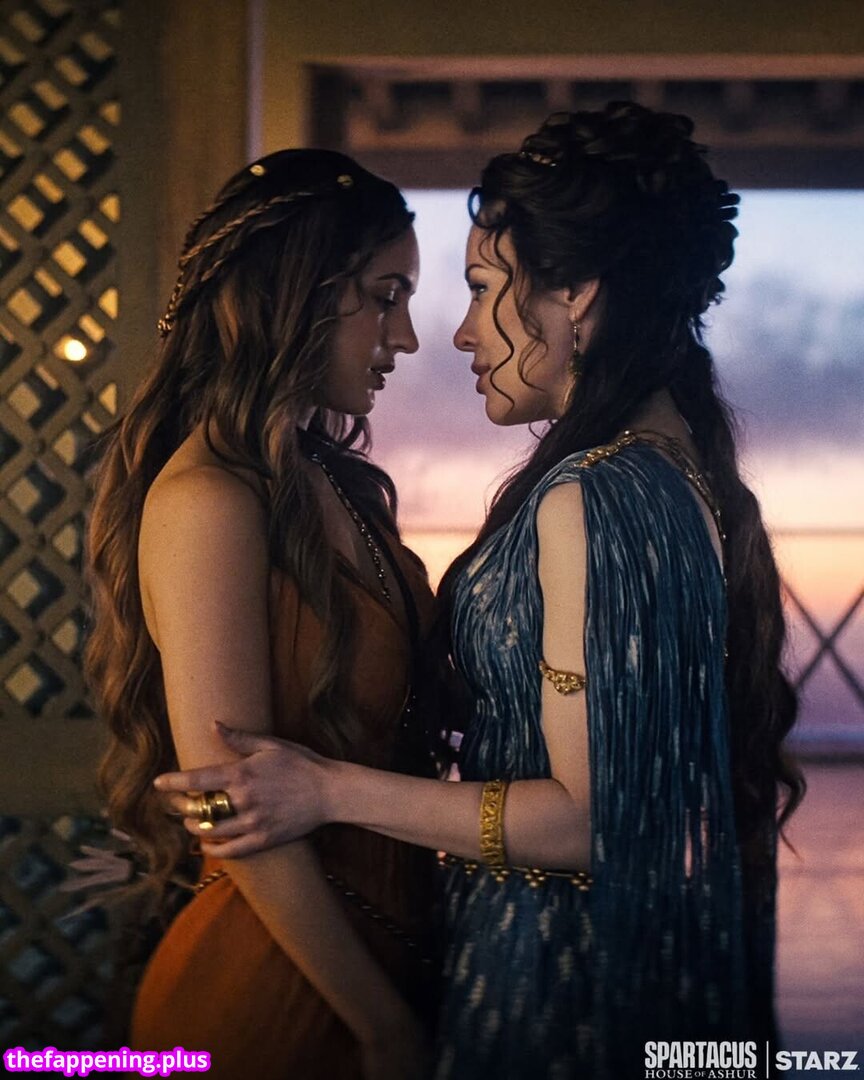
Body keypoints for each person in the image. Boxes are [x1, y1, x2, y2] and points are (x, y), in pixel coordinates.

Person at [157, 103, 804, 1079]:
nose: (451, 335)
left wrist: (330, 788)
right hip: (379, 965)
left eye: (479, 288)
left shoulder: (601, 494)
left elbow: (591, 819)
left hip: (548, 980)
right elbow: (226, 798)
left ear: (575, 296)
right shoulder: (659, 476)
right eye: (391, 297)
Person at [84, 149, 442, 1080]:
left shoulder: (327, 480)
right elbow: (221, 801)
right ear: (300, 293)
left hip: (388, 962)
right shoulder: (209, 501)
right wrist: (383, 1026)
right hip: (282, 988)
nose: (406, 336)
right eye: (385, 296)